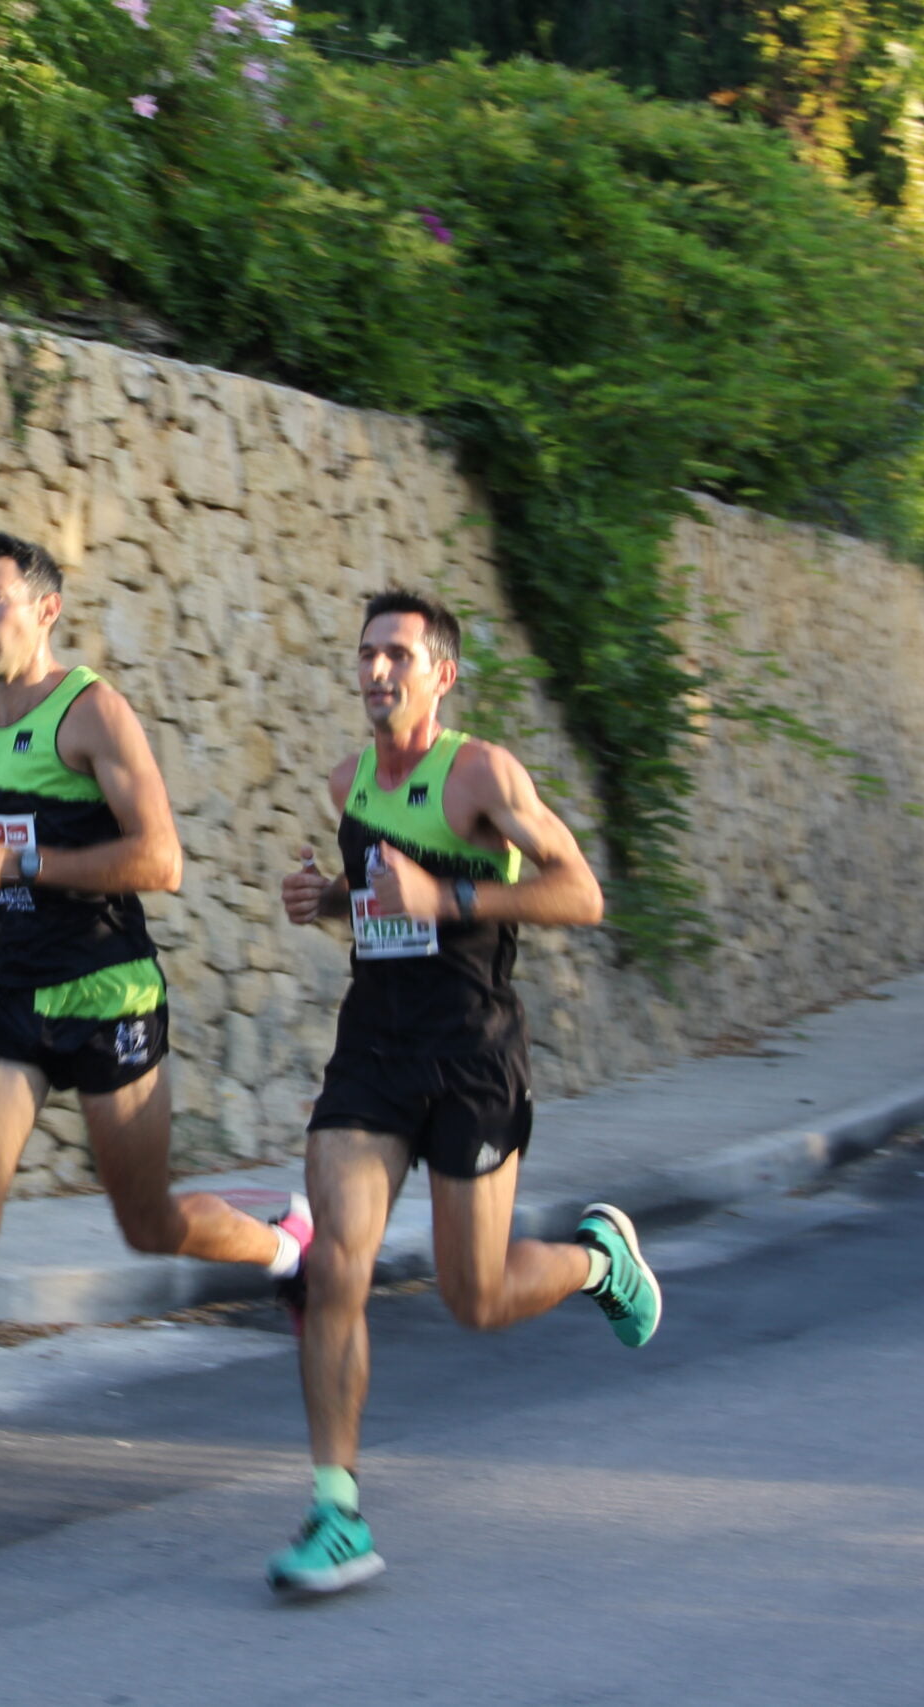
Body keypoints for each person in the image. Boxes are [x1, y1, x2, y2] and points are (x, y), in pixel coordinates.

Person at [0, 532, 312, 1551]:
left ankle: (286, 1248)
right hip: (2, 1001)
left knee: (145, 1222)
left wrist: (15, 866)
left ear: (43, 609)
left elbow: (159, 858)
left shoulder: (91, 711)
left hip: (105, 997)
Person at [265, 588, 661, 1595]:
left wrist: (451, 895)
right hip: (374, 1056)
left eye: (398, 654)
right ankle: (336, 1513)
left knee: (473, 1296)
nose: (376, 671)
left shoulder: (482, 774)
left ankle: (596, 1260)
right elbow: (382, 917)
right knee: (334, 1270)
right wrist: (329, 905)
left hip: (473, 1055)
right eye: (365, 654)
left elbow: (579, 892)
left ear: (441, 673)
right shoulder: (347, 782)